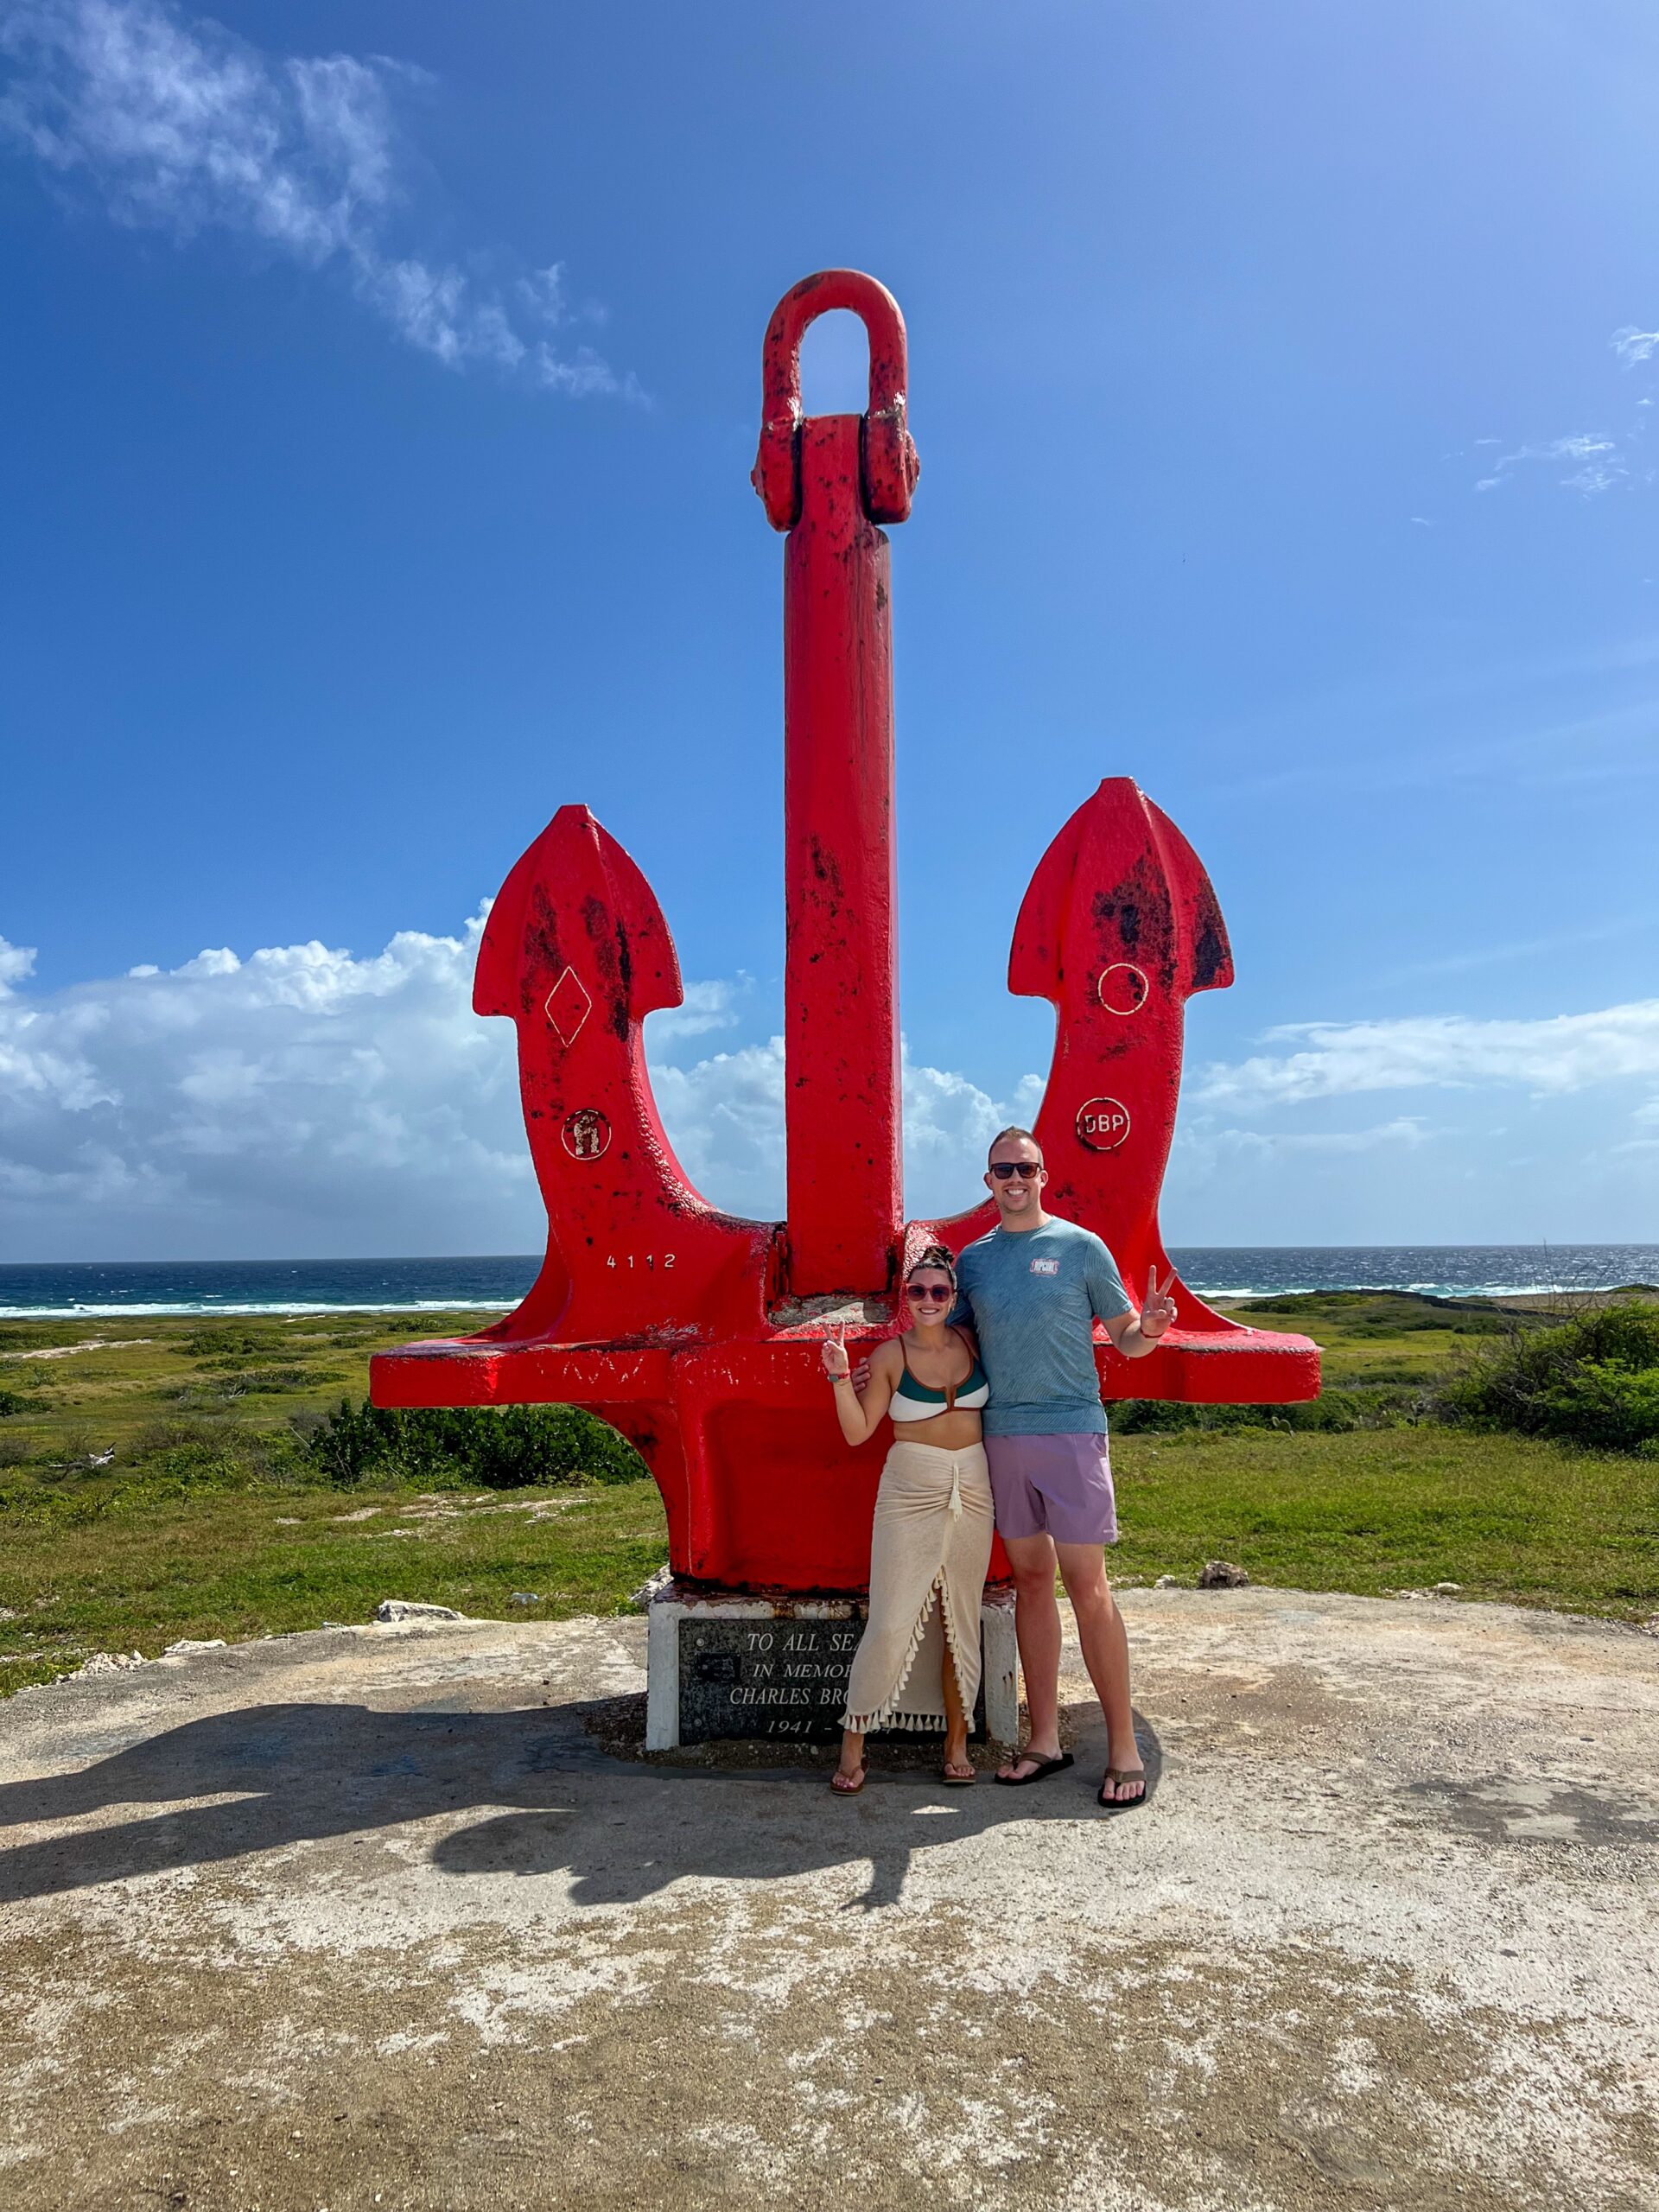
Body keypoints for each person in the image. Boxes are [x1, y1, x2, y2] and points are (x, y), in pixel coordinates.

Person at [953, 1126, 1175, 1811]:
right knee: (1029, 1579)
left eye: (1025, 1168)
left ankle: (1122, 1748)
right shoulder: (975, 1262)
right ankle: (1044, 1739)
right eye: (1001, 1170)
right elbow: (954, 1339)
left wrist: (1156, 1328)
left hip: (1073, 1431)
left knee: (1088, 1586)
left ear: (1044, 1175)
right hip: (1003, 1436)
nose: (1014, 1180)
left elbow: (1129, 1340)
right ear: (987, 1181)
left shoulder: (1081, 1247)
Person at [820, 1245, 995, 1796]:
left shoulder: (972, 1341)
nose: (927, 1300)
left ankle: (957, 1743)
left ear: (953, 1299)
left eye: (939, 1291)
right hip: (909, 1489)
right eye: (917, 1291)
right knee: (893, 1618)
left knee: (959, 1614)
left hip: (974, 1485)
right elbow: (857, 1432)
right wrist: (840, 1377)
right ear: (905, 1298)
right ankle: (853, 1745)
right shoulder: (891, 1355)